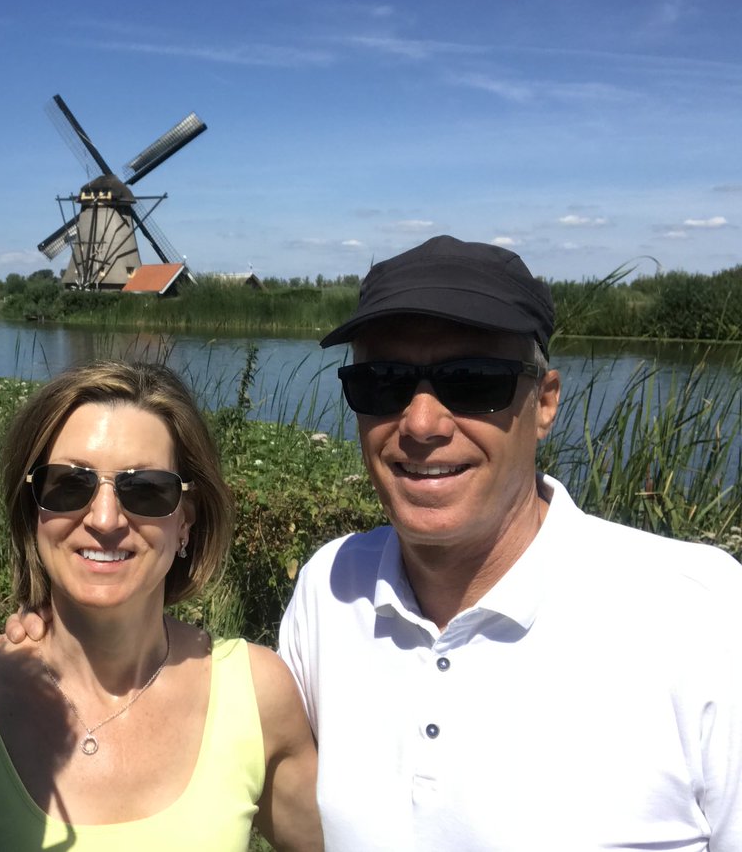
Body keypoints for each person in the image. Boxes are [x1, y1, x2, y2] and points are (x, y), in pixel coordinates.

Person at [279, 235, 742, 850]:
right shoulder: (328, 588)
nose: (421, 424)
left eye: (472, 381)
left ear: (545, 402)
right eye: (382, 382)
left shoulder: (699, 614)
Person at [0, 361, 322, 851]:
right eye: (68, 484)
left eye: (146, 490)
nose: (104, 518)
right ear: (34, 510)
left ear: (186, 518)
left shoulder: (257, 696)